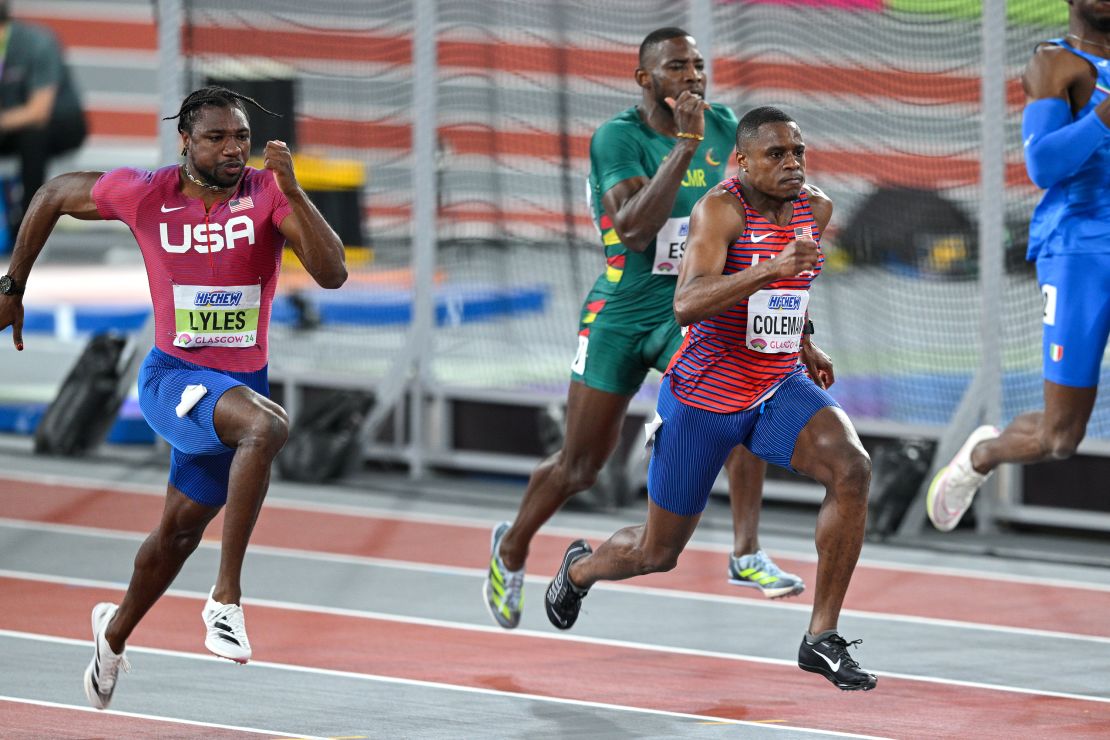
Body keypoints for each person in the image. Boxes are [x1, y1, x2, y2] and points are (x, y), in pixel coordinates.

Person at [0, 86, 347, 709]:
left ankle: (112, 634)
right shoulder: (144, 192)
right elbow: (52, 193)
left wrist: (294, 191)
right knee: (267, 429)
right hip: (172, 378)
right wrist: (11, 284)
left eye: (240, 137)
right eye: (216, 138)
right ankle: (226, 600)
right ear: (185, 142)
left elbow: (332, 273)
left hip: (239, 388)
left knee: (176, 536)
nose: (233, 149)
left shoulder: (267, 193)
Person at [544, 106, 877, 692]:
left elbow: (791, 291)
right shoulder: (719, 211)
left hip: (775, 385)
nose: (792, 164)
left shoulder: (815, 208)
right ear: (741, 161)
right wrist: (771, 268)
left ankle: (820, 638)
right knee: (657, 552)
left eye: (798, 152)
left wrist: (803, 342)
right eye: (776, 154)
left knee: (852, 468)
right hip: (703, 396)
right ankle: (580, 568)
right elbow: (687, 303)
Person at [484, 28, 805, 631]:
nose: (693, 77)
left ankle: (746, 551)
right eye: (677, 66)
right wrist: (682, 146)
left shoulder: (726, 125)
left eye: (699, 65)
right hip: (623, 308)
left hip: (688, 305)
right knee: (581, 467)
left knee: (741, 397)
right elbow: (633, 229)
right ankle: (512, 546)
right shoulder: (618, 138)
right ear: (645, 80)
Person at [927, 0, 1110, 532]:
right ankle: (983, 455)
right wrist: (1103, 114)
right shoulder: (1055, 63)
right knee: (1060, 437)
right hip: (1080, 255)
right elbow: (1043, 165)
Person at [0, 0, 87, 234]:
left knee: (33, 135)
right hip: (11, 127)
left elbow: (38, 112)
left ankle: (29, 224)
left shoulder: (38, 43)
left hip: (61, 123)